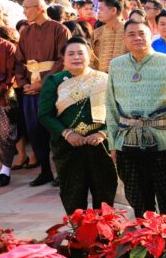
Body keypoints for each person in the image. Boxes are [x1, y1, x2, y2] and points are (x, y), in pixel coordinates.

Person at [106, 20, 166, 215]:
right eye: (131, 34)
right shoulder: (116, 65)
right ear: (125, 39)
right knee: (138, 199)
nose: (137, 38)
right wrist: (113, 144)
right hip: (127, 142)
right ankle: (145, 234)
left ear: (151, 35)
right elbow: (111, 106)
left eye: (142, 33)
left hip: (163, 141)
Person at [37, 37, 117, 213]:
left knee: (105, 195)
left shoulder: (103, 79)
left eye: (81, 53)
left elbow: (116, 112)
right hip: (67, 146)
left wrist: (102, 133)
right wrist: (67, 134)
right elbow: (45, 115)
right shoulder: (54, 81)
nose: (76, 57)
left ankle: (104, 230)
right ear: (64, 59)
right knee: (73, 196)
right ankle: (79, 230)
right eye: (71, 54)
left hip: (100, 145)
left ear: (90, 56)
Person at [14, 0, 70, 187]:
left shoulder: (59, 29)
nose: (24, 11)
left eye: (26, 8)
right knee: (35, 131)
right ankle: (45, 171)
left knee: (56, 131)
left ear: (39, 8)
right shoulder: (26, 32)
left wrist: (44, 83)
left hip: (54, 88)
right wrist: (24, 83)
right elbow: (19, 61)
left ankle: (63, 172)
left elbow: (63, 60)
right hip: (31, 90)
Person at [0, 31, 16, 187]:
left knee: (5, 134)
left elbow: (11, 75)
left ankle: (5, 170)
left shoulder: (6, 46)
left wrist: (0, 89)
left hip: (2, 97)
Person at [90, 0, 127, 72]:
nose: (98, 12)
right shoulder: (97, 33)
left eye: (101, 9)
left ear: (113, 10)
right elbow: (92, 60)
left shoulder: (130, 31)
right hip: (102, 78)